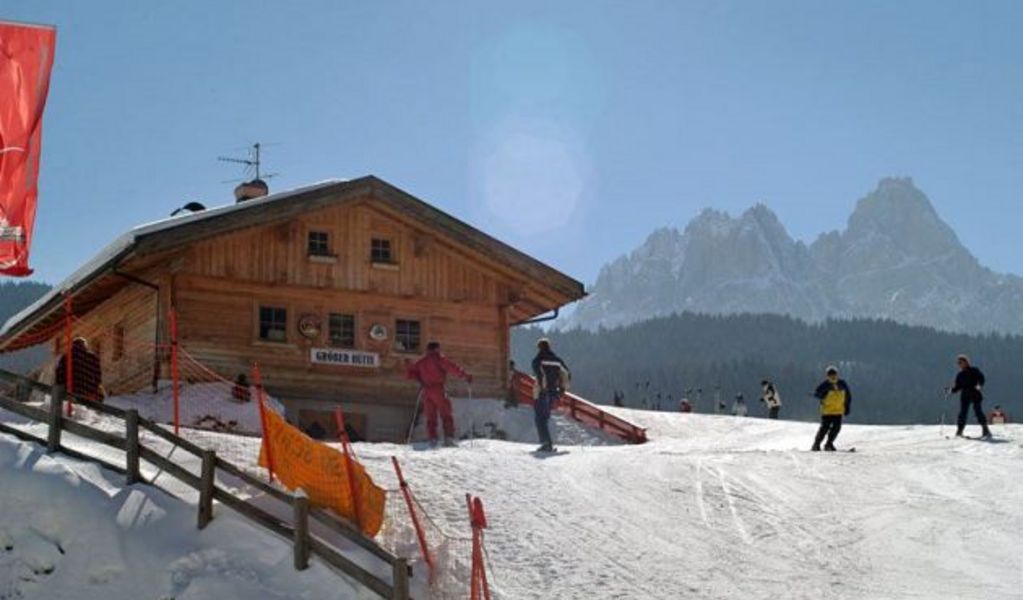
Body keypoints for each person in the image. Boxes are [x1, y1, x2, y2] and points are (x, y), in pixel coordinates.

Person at [406, 341, 472, 447]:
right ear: (437, 349)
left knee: (430, 416)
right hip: (438, 389)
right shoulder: (438, 358)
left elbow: (410, 373)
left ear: (428, 349)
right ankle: (448, 439)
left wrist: (420, 380)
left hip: (426, 390)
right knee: (446, 414)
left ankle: (433, 439)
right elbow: (452, 368)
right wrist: (465, 376)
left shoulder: (422, 361)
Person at [531, 338, 570, 453]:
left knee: (540, 419)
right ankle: (547, 443)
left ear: (539, 347)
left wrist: (543, 388)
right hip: (553, 393)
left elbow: (540, 375)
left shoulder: (538, 360)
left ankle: (546, 444)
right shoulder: (557, 360)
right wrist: (562, 389)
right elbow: (567, 374)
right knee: (545, 418)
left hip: (543, 393)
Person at [948, 354, 991, 439]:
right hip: (965, 395)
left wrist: (979, 385)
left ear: (966, 362)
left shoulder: (974, 370)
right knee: (962, 413)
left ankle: (985, 429)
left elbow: (981, 378)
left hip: (975, 394)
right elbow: (958, 387)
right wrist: (951, 390)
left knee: (978, 412)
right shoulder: (960, 375)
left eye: (961, 362)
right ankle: (959, 431)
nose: (960, 364)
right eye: (959, 363)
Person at [812, 366, 852, 451]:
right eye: (830, 375)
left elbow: (848, 396)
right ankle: (816, 444)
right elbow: (817, 393)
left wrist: (847, 406)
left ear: (837, 375)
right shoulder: (825, 384)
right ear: (827, 376)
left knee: (836, 429)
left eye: (834, 374)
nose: (833, 376)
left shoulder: (842, 383)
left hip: (838, 411)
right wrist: (821, 395)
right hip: (827, 411)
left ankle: (829, 444)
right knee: (824, 429)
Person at [54, 337, 103, 402]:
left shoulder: (66, 357)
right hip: (88, 390)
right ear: (85, 346)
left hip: (71, 389)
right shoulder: (92, 357)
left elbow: (59, 374)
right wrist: (95, 388)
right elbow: (98, 375)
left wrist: (61, 387)